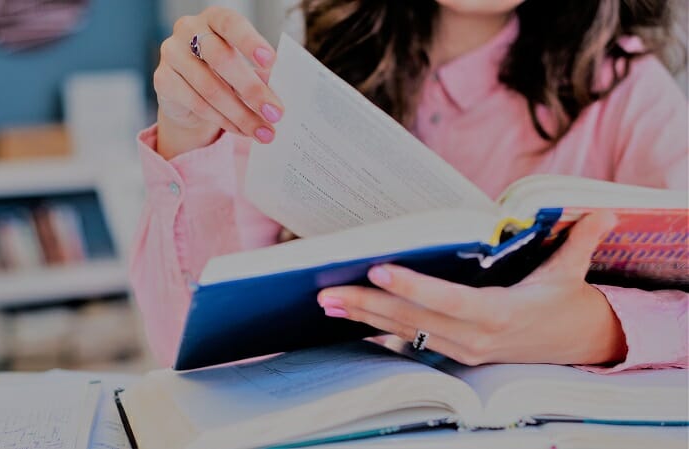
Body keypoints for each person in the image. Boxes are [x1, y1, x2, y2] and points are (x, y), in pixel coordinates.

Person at [130, 0, 689, 372]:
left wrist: (595, 329)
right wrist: (187, 134)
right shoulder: (312, 72)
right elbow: (193, 345)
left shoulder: (626, 91)